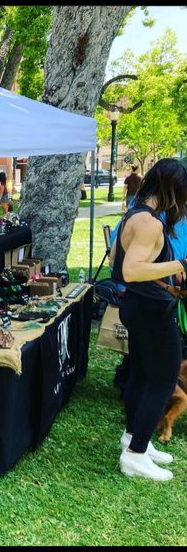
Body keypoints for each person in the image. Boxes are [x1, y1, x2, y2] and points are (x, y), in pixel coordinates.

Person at [111, 158, 187, 481]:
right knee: (164, 378)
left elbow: (117, 259)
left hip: (138, 307)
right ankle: (136, 453)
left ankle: (133, 437)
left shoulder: (135, 213)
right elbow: (130, 269)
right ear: (172, 190)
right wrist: (180, 264)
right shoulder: (150, 223)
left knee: (141, 375)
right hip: (150, 312)